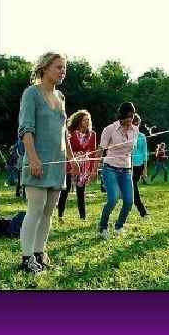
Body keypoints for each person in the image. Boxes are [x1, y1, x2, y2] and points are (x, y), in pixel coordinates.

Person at [17, 52, 79, 273]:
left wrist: (71, 157)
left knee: (48, 212)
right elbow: (26, 129)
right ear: (44, 68)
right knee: (35, 209)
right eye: (58, 67)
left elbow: (64, 132)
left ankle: (39, 253)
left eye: (64, 68)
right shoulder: (31, 94)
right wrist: (33, 159)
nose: (63, 72)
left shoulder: (61, 97)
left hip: (57, 164)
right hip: (38, 162)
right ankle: (26, 259)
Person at [95, 102, 139, 240]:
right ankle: (102, 227)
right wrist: (94, 169)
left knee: (129, 201)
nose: (130, 119)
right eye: (127, 116)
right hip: (110, 168)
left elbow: (131, 152)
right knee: (113, 199)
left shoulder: (135, 130)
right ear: (121, 116)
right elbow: (101, 149)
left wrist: (131, 170)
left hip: (126, 170)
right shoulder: (110, 129)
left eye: (132, 116)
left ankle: (119, 226)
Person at [57, 109, 97, 222]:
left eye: (88, 120)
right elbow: (67, 149)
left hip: (84, 166)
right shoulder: (71, 133)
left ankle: (83, 217)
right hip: (71, 164)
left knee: (81, 192)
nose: (87, 122)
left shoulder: (92, 134)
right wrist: (71, 162)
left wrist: (91, 169)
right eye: (84, 120)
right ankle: (60, 215)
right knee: (65, 190)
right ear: (79, 121)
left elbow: (93, 152)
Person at [130, 114, 150, 220]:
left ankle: (131, 203)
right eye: (134, 123)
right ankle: (142, 211)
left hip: (139, 166)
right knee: (133, 186)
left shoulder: (142, 136)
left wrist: (145, 169)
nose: (136, 126)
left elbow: (145, 153)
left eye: (137, 124)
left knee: (132, 187)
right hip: (129, 166)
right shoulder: (127, 136)